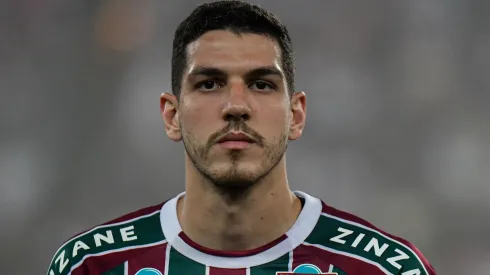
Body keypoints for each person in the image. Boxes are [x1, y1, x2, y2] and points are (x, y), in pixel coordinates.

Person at [46, 1, 437, 275]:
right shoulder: (92, 265)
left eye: (262, 85)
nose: (236, 105)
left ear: (296, 115)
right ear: (172, 114)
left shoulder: (385, 268)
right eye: (210, 83)